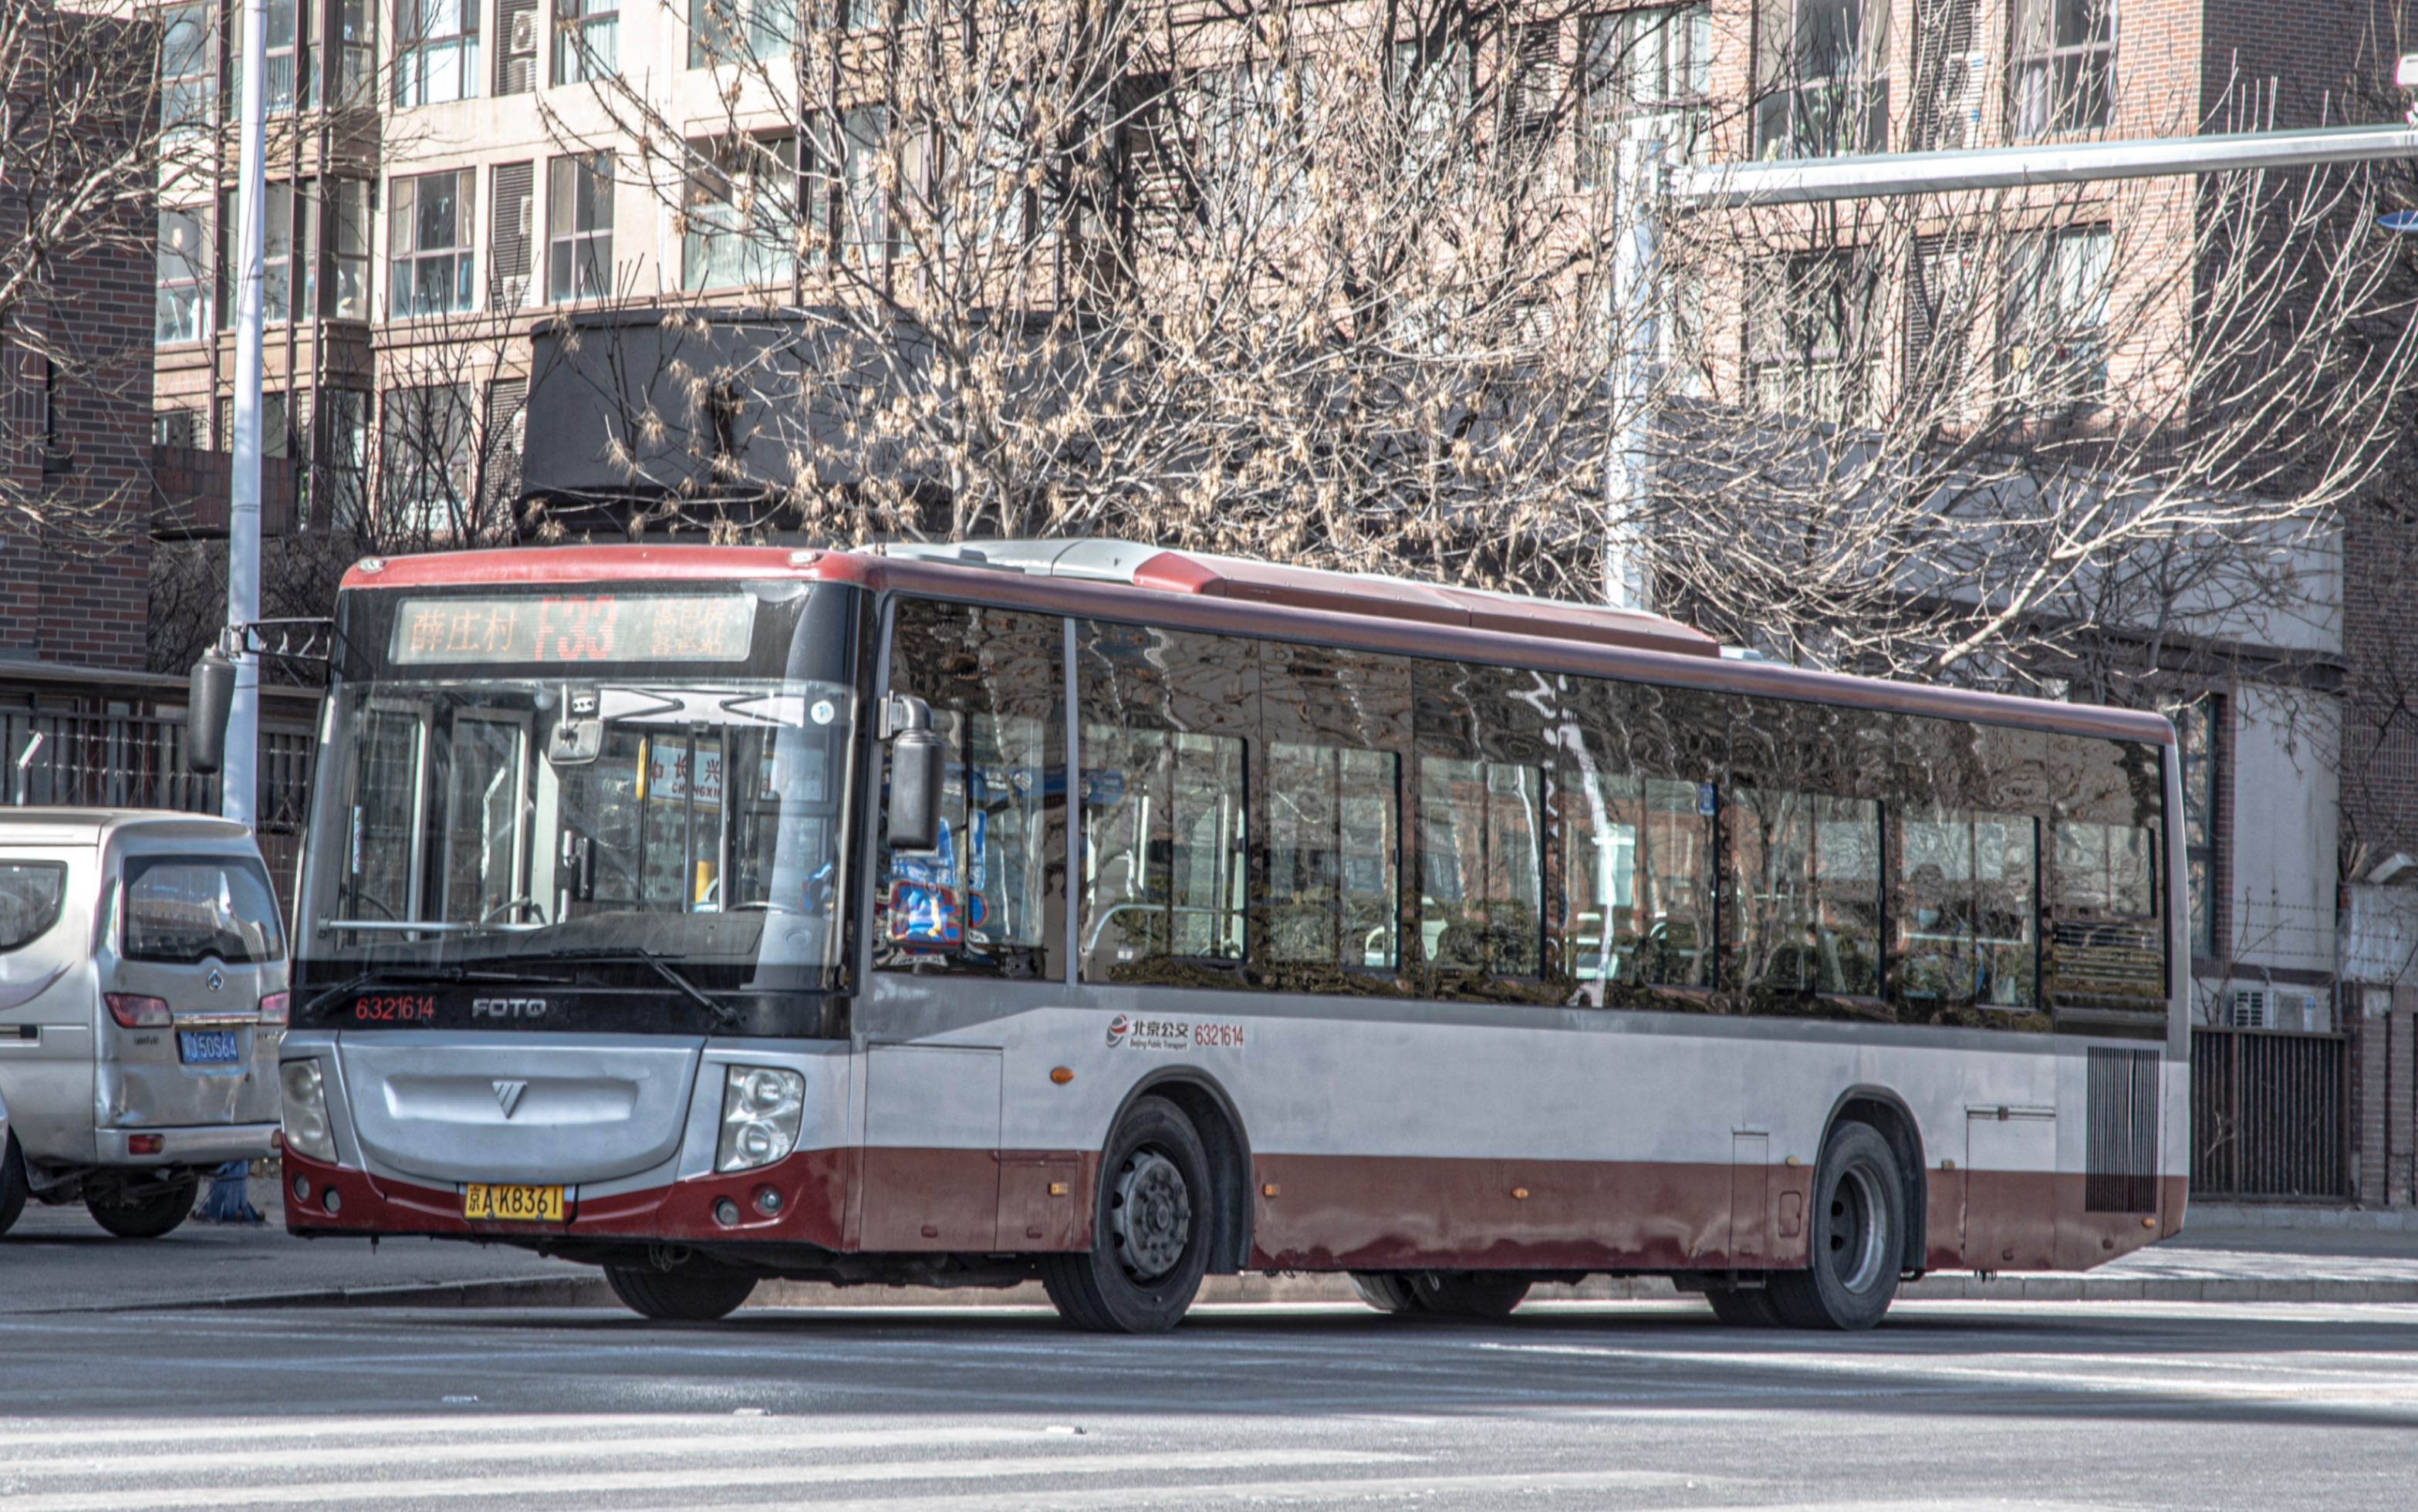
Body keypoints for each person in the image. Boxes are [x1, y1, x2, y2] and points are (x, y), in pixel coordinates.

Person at [196, 1159, 263, 1224]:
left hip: (232, 1175)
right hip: (228, 1174)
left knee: (232, 1200)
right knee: (217, 1199)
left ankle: (233, 1214)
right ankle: (214, 1214)